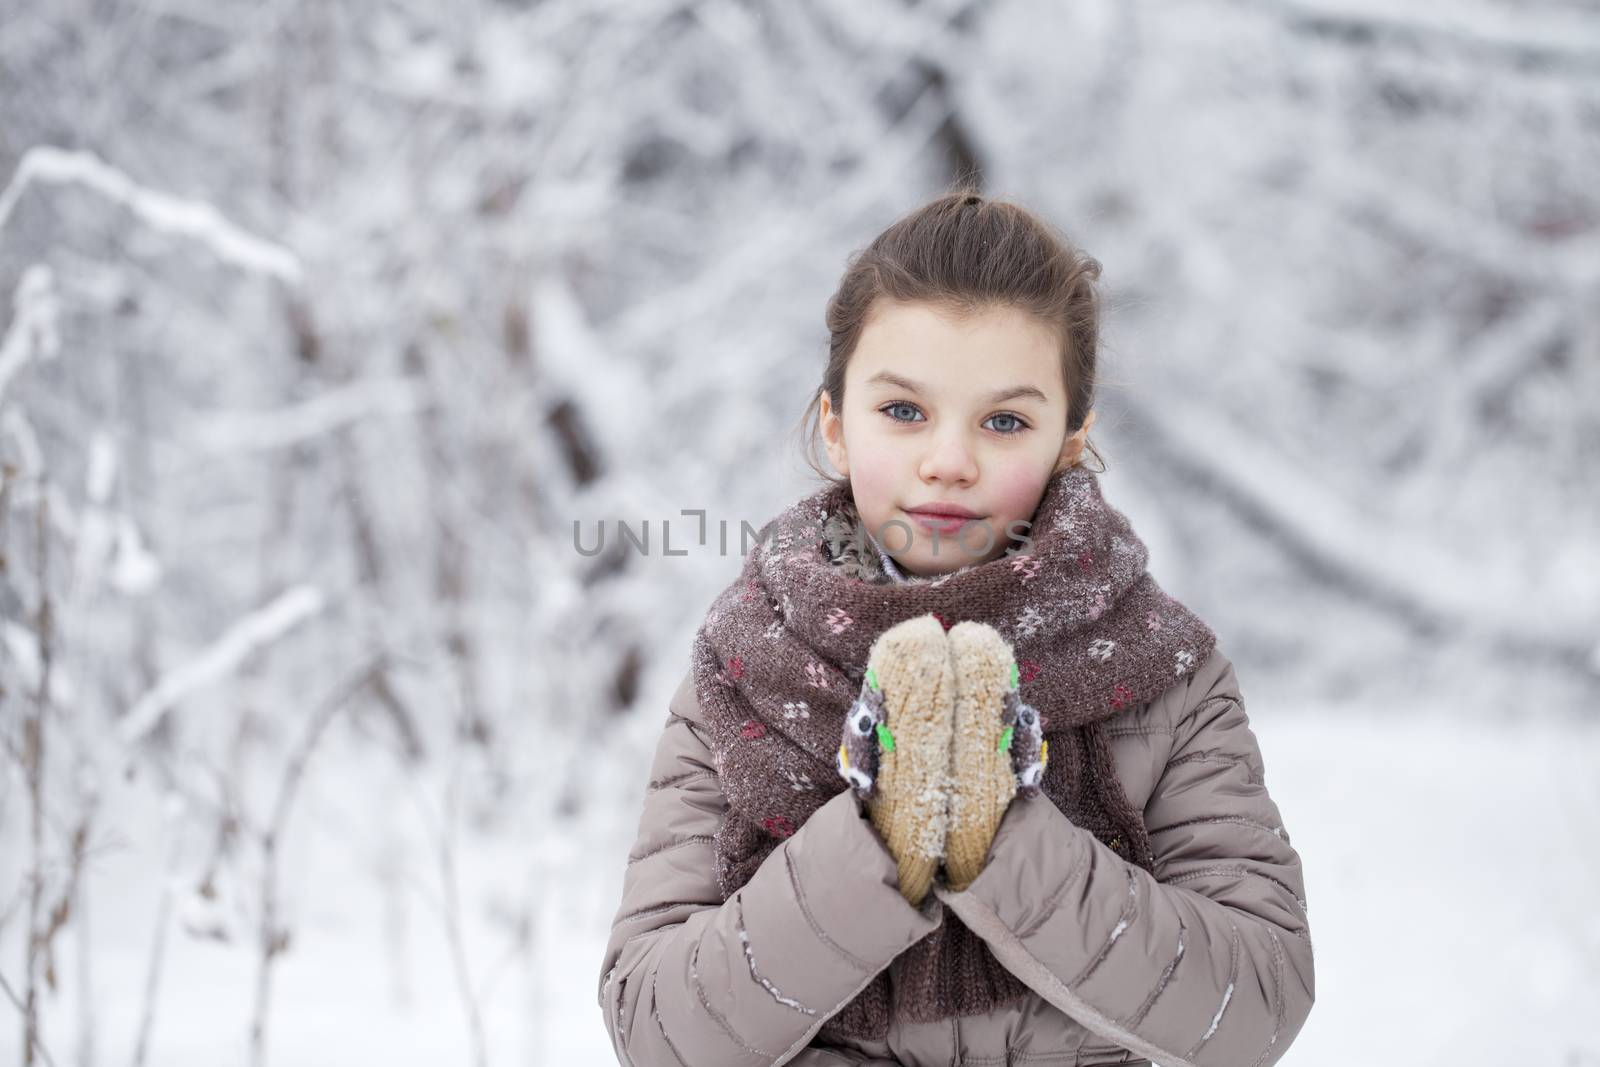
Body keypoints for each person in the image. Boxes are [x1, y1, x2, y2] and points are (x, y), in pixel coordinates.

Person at [596, 188, 1315, 1066]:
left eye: (1005, 420)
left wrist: (1003, 841)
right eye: (904, 410)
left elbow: (1259, 1003)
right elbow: (656, 1028)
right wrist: (876, 844)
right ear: (836, 425)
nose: (948, 461)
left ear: (1068, 441)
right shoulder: (750, 664)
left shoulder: (1163, 672)